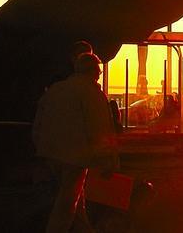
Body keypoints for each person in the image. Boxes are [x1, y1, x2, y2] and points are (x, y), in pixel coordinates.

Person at [33, 50, 120, 233]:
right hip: (76, 156)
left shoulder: (56, 89)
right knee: (67, 203)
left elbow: (39, 120)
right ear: (94, 71)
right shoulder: (92, 93)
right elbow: (100, 128)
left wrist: (39, 145)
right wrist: (110, 161)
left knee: (74, 199)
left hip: (50, 152)